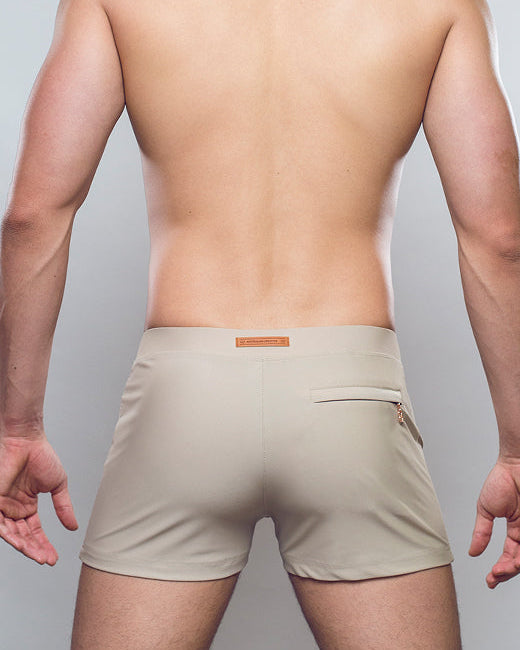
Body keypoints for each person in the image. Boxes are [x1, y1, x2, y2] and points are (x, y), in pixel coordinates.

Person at [1, 0, 519, 646]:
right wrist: (516, 447)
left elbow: (33, 216)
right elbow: (498, 239)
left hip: (184, 397)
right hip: (351, 397)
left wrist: (17, 428)